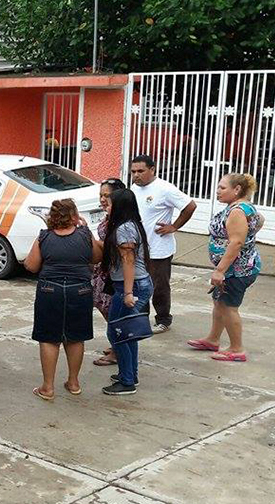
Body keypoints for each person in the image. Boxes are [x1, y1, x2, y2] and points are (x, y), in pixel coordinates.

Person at [24, 199, 102, 400]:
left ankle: (48, 388)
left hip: (50, 291)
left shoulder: (44, 237)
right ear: (74, 216)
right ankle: (73, 382)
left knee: (49, 339)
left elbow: (31, 266)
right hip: (80, 291)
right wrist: (84, 228)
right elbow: (96, 257)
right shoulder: (85, 235)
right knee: (76, 338)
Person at [187, 174, 265, 362]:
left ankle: (237, 349)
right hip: (235, 267)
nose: (217, 191)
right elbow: (259, 221)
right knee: (219, 303)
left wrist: (220, 270)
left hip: (237, 270)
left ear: (237, 189)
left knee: (229, 307)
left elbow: (236, 243)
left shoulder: (238, 211)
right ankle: (213, 339)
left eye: (222, 188)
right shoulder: (243, 208)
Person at [129, 155, 197, 334]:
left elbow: (190, 206)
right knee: (139, 285)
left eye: (141, 171)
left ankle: (163, 319)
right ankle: (140, 319)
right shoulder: (134, 189)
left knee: (159, 286)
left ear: (152, 170)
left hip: (159, 248)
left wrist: (174, 226)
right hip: (138, 248)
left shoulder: (165, 189)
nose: (136, 175)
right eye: (134, 171)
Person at [101, 189, 154, 395]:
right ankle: (130, 373)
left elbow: (128, 261)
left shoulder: (124, 229)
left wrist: (129, 293)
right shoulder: (132, 225)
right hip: (134, 284)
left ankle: (127, 381)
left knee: (118, 332)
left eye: (110, 202)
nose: (106, 204)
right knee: (128, 332)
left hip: (130, 286)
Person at [92, 178, 128, 367]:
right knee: (105, 310)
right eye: (101, 195)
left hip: (114, 275)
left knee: (114, 314)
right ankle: (115, 344)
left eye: (107, 195)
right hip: (103, 272)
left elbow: (113, 248)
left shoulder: (122, 220)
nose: (103, 199)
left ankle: (117, 351)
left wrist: (90, 240)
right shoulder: (110, 215)